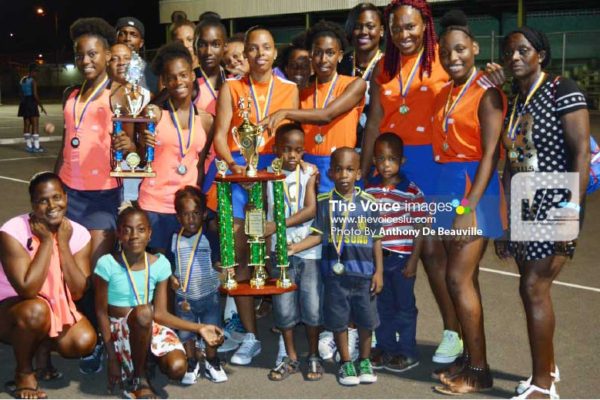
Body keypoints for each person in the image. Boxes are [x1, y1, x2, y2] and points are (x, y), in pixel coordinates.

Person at [360, 0, 462, 365]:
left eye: (411, 27)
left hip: (433, 164)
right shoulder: (383, 68)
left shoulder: (443, 61)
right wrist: (364, 171)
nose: (403, 34)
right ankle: (386, 333)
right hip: (391, 165)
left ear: (426, 26)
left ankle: (453, 332)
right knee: (386, 249)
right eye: (396, 28)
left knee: (434, 251)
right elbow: (374, 122)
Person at [492, 27, 590, 400]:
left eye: (523, 50)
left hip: (556, 199)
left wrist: (571, 210)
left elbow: (581, 151)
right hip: (523, 201)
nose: (514, 57)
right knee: (531, 287)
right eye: (509, 52)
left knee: (534, 286)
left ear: (541, 55)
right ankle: (546, 367)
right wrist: (504, 223)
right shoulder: (516, 100)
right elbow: (510, 161)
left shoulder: (562, 89)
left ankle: (543, 387)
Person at [430, 11, 507, 395]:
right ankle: (469, 358)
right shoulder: (445, 91)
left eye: (459, 49)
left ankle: (479, 370)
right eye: (445, 52)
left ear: (475, 48)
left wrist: (467, 209)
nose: (452, 57)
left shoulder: (487, 91)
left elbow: (490, 153)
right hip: (448, 190)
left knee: (458, 280)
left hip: (473, 192)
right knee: (464, 278)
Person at [212, 25, 298, 366]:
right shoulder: (231, 87)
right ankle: (250, 336)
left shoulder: (290, 89)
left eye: (266, 47)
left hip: (275, 177)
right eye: (253, 48)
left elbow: (293, 139)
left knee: (278, 255)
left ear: (275, 52)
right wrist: (239, 170)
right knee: (241, 255)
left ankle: (285, 337)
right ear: (245, 54)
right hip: (239, 178)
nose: (260, 54)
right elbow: (220, 136)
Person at [55, 18, 126, 374]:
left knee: (95, 275)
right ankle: (81, 333)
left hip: (101, 196)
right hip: (69, 194)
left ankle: (102, 341)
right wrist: (53, 188)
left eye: (93, 53)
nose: (85, 60)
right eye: (80, 54)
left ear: (108, 55)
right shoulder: (71, 94)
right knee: (70, 274)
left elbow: (136, 141)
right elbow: (65, 143)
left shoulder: (120, 93)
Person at [94, 203, 224, 398]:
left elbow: (161, 314)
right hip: (119, 330)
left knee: (178, 367)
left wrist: (201, 328)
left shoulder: (160, 264)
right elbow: (101, 312)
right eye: (127, 230)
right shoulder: (107, 263)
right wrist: (111, 358)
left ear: (150, 234)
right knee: (144, 311)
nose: (134, 236)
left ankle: (146, 359)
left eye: (141, 230)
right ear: (118, 234)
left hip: (148, 323)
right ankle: (140, 379)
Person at [289, 147, 383, 386]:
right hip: (335, 277)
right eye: (339, 169)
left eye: (350, 170)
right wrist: (293, 248)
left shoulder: (369, 202)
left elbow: (377, 239)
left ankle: (364, 360)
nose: (344, 175)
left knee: (366, 321)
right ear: (330, 173)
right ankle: (346, 362)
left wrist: (379, 272)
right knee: (339, 321)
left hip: (364, 275)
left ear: (359, 173)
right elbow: (318, 235)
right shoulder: (324, 203)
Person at [0, 172, 97, 399]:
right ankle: (24, 373)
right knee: (36, 310)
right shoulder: (12, 231)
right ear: (33, 204)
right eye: (43, 200)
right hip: (10, 312)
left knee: (84, 341)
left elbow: (78, 291)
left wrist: (62, 243)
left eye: (57, 197)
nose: (52, 206)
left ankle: (41, 349)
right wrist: (45, 242)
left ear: (66, 197)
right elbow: (28, 289)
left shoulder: (78, 234)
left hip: (52, 310)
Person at [262, 20, 366, 194]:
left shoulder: (355, 84)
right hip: (307, 167)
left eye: (330, 53)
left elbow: (326, 115)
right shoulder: (302, 91)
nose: (323, 59)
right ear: (311, 55)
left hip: (341, 168)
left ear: (340, 55)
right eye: (318, 53)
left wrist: (284, 112)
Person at [138, 42, 210, 257]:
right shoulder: (154, 114)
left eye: (183, 75)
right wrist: (142, 144)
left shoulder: (206, 120)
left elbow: (200, 164)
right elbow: (142, 160)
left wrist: (199, 204)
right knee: (159, 269)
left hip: (187, 210)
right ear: (164, 81)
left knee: (185, 269)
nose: (178, 82)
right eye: (171, 77)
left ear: (192, 76)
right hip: (155, 204)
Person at [264, 123, 322, 381]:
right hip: (280, 251)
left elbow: (311, 210)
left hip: (308, 251)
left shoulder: (309, 172)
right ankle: (290, 357)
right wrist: (266, 251)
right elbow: (264, 211)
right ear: (276, 149)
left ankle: (313, 356)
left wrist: (278, 225)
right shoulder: (266, 175)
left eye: (298, 150)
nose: (292, 155)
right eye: (287, 149)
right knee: (284, 308)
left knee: (312, 307)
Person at [365, 133, 425, 373]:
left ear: (402, 161)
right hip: (377, 260)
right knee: (382, 305)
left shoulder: (411, 191)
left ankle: (407, 352)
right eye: (380, 159)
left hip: (401, 259)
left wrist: (414, 260)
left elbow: (421, 228)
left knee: (405, 308)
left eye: (391, 159)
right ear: (374, 161)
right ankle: (386, 348)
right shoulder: (370, 188)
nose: (386, 164)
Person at [170, 186, 227, 384]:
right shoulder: (174, 239)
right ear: (178, 217)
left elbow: (218, 261)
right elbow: (169, 265)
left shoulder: (210, 237)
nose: (191, 219)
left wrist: (221, 267)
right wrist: (171, 278)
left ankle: (212, 361)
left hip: (209, 295)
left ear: (203, 214)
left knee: (212, 328)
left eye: (195, 213)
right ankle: (191, 361)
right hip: (184, 298)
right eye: (186, 214)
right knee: (186, 333)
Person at [108, 42, 151, 202]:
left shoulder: (145, 96)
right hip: (102, 170)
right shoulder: (98, 96)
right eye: (115, 58)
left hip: (133, 169)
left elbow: (146, 149)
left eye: (126, 58)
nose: (121, 63)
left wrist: (132, 147)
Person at [340, 3, 384, 151]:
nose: (364, 32)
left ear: (381, 31)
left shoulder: (390, 66)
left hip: (378, 149)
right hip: (342, 148)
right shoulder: (339, 64)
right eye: (358, 26)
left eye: (370, 26)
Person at [115, 17, 158, 94]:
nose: (127, 38)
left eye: (133, 35)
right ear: (116, 39)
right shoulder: (107, 69)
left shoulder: (151, 71)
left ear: (141, 43)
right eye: (123, 34)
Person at [18, 63, 47, 153]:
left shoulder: (22, 80)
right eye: (36, 72)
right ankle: (37, 146)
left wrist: (23, 102)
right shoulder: (33, 81)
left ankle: (29, 146)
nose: (37, 74)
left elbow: (21, 93)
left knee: (26, 124)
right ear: (33, 71)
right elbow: (35, 95)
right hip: (31, 102)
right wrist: (41, 106)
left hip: (23, 102)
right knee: (35, 124)